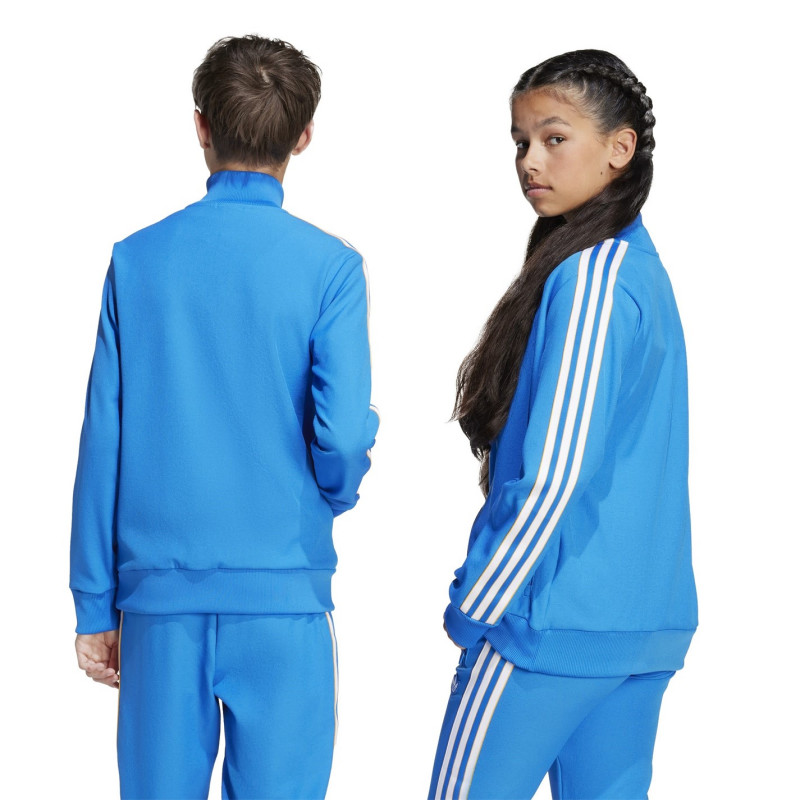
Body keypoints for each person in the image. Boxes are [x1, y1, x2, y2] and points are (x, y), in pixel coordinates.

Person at [70, 35, 378, 800]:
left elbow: (103, 438)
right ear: (304, 136)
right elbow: (342, 434)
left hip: (157, 607)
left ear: (200, 126)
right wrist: (334, 488)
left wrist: (93, 601)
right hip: (283, 595)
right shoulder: (331, 268)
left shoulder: (137, 260)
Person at [428, 50, 697, 800]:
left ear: (620, 148)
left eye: (554, 138)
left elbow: (556, 473)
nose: (529, 160)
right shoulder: (640, 272)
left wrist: (479, 601)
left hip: (548, 627)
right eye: (520, 142)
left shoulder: (593, 279)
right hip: (636, 628)